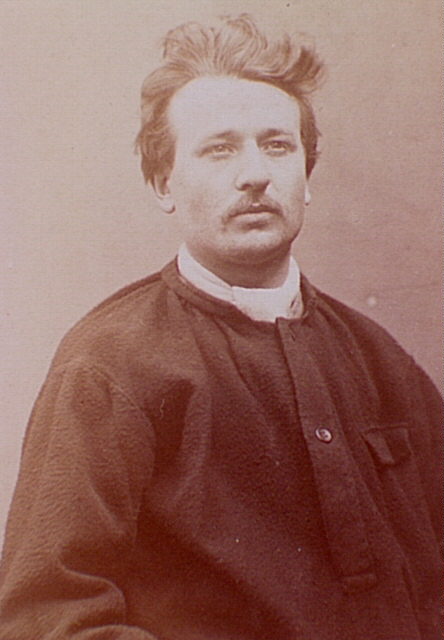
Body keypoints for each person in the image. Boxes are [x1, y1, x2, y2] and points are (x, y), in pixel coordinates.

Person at [0, 14, 442, 640]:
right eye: (220, 149)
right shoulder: (109, 364)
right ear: (164, 184)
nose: (255, 173)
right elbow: (46, 617)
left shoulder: (378, 358)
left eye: (277, 145)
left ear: (307, 178)